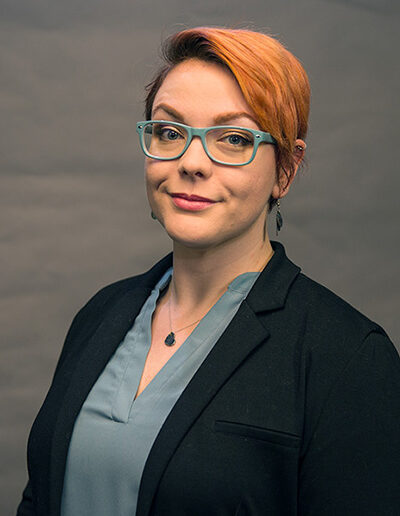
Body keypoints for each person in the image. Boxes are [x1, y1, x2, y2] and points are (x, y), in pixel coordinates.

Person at [17, 27, 400, 516]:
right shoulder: (101, 314)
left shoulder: (348, 357)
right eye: (170, 132)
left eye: (234, 139)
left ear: (285, 170)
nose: (191, 162)